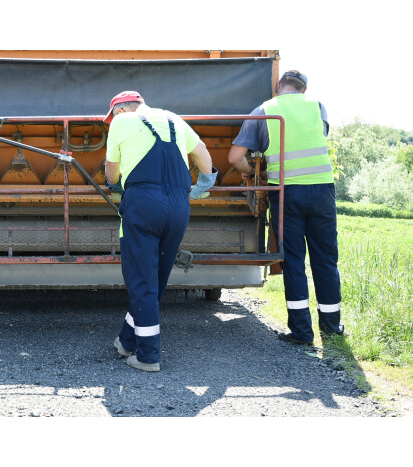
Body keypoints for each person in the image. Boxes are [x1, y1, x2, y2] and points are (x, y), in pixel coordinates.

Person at [227, 70, 344, 346]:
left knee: (293, 261)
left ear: (278, 88)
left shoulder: (264, 110)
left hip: (287, 193)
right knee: (326, 259)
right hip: (322, 191)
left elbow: (235, 157)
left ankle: (302, 332)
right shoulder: (318, 107)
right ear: (303, 90)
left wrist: (253, 174)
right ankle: (331, 328)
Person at [104, 90, 215, 372]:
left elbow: (111, 172)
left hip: (143, 205)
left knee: (141, 282)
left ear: (119, 110)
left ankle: (148, 356)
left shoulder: (120, 123)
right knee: (155, 282)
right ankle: (126, 342)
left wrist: (115, 185)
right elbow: (202, 152)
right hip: (179, 207)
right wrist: (203, 185)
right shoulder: (173, 119)